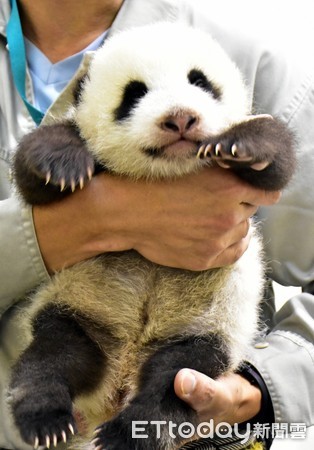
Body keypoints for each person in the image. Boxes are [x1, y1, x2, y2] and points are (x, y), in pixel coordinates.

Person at [0, 0, 313, 448]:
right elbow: (45, 162)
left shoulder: (259, 57)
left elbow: (273, 153)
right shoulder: (79, 131)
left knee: (176, 379)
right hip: (82, 330)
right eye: (136, 97)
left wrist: (254, 390)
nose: (180, 115)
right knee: (57, 350)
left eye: (198, 86)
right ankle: (41, 401)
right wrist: (84, 222)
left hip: (194, 333)